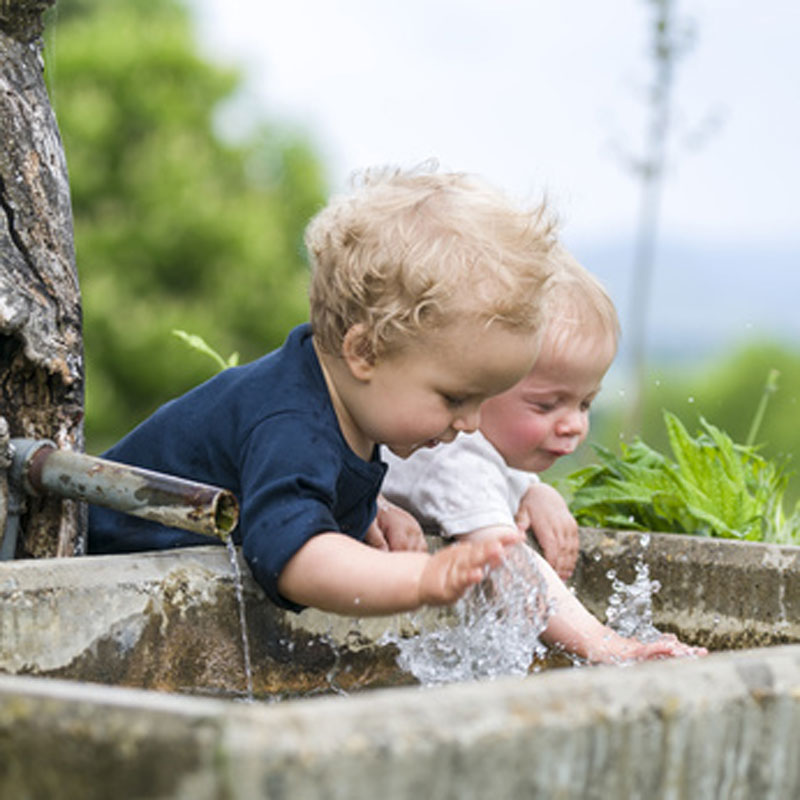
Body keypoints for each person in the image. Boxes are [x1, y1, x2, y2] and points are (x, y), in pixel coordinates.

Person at [88, 165, 559, 616]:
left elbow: (293, 485)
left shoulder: (336, 395)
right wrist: (417, 579)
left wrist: (371, 506)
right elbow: (295, 556)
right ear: (366, 352)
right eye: (455, 398)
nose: (471, 424)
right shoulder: (290, 422)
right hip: (95, 579)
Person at [381, 253, 707, 662]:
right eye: (547, 405)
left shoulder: (475, 452)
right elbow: (512, 569)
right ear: (480, 385)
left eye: (586, 403)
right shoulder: (449, 457)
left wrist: (534, 491)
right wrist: (609, 646)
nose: (573, 424)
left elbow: (492, 482)